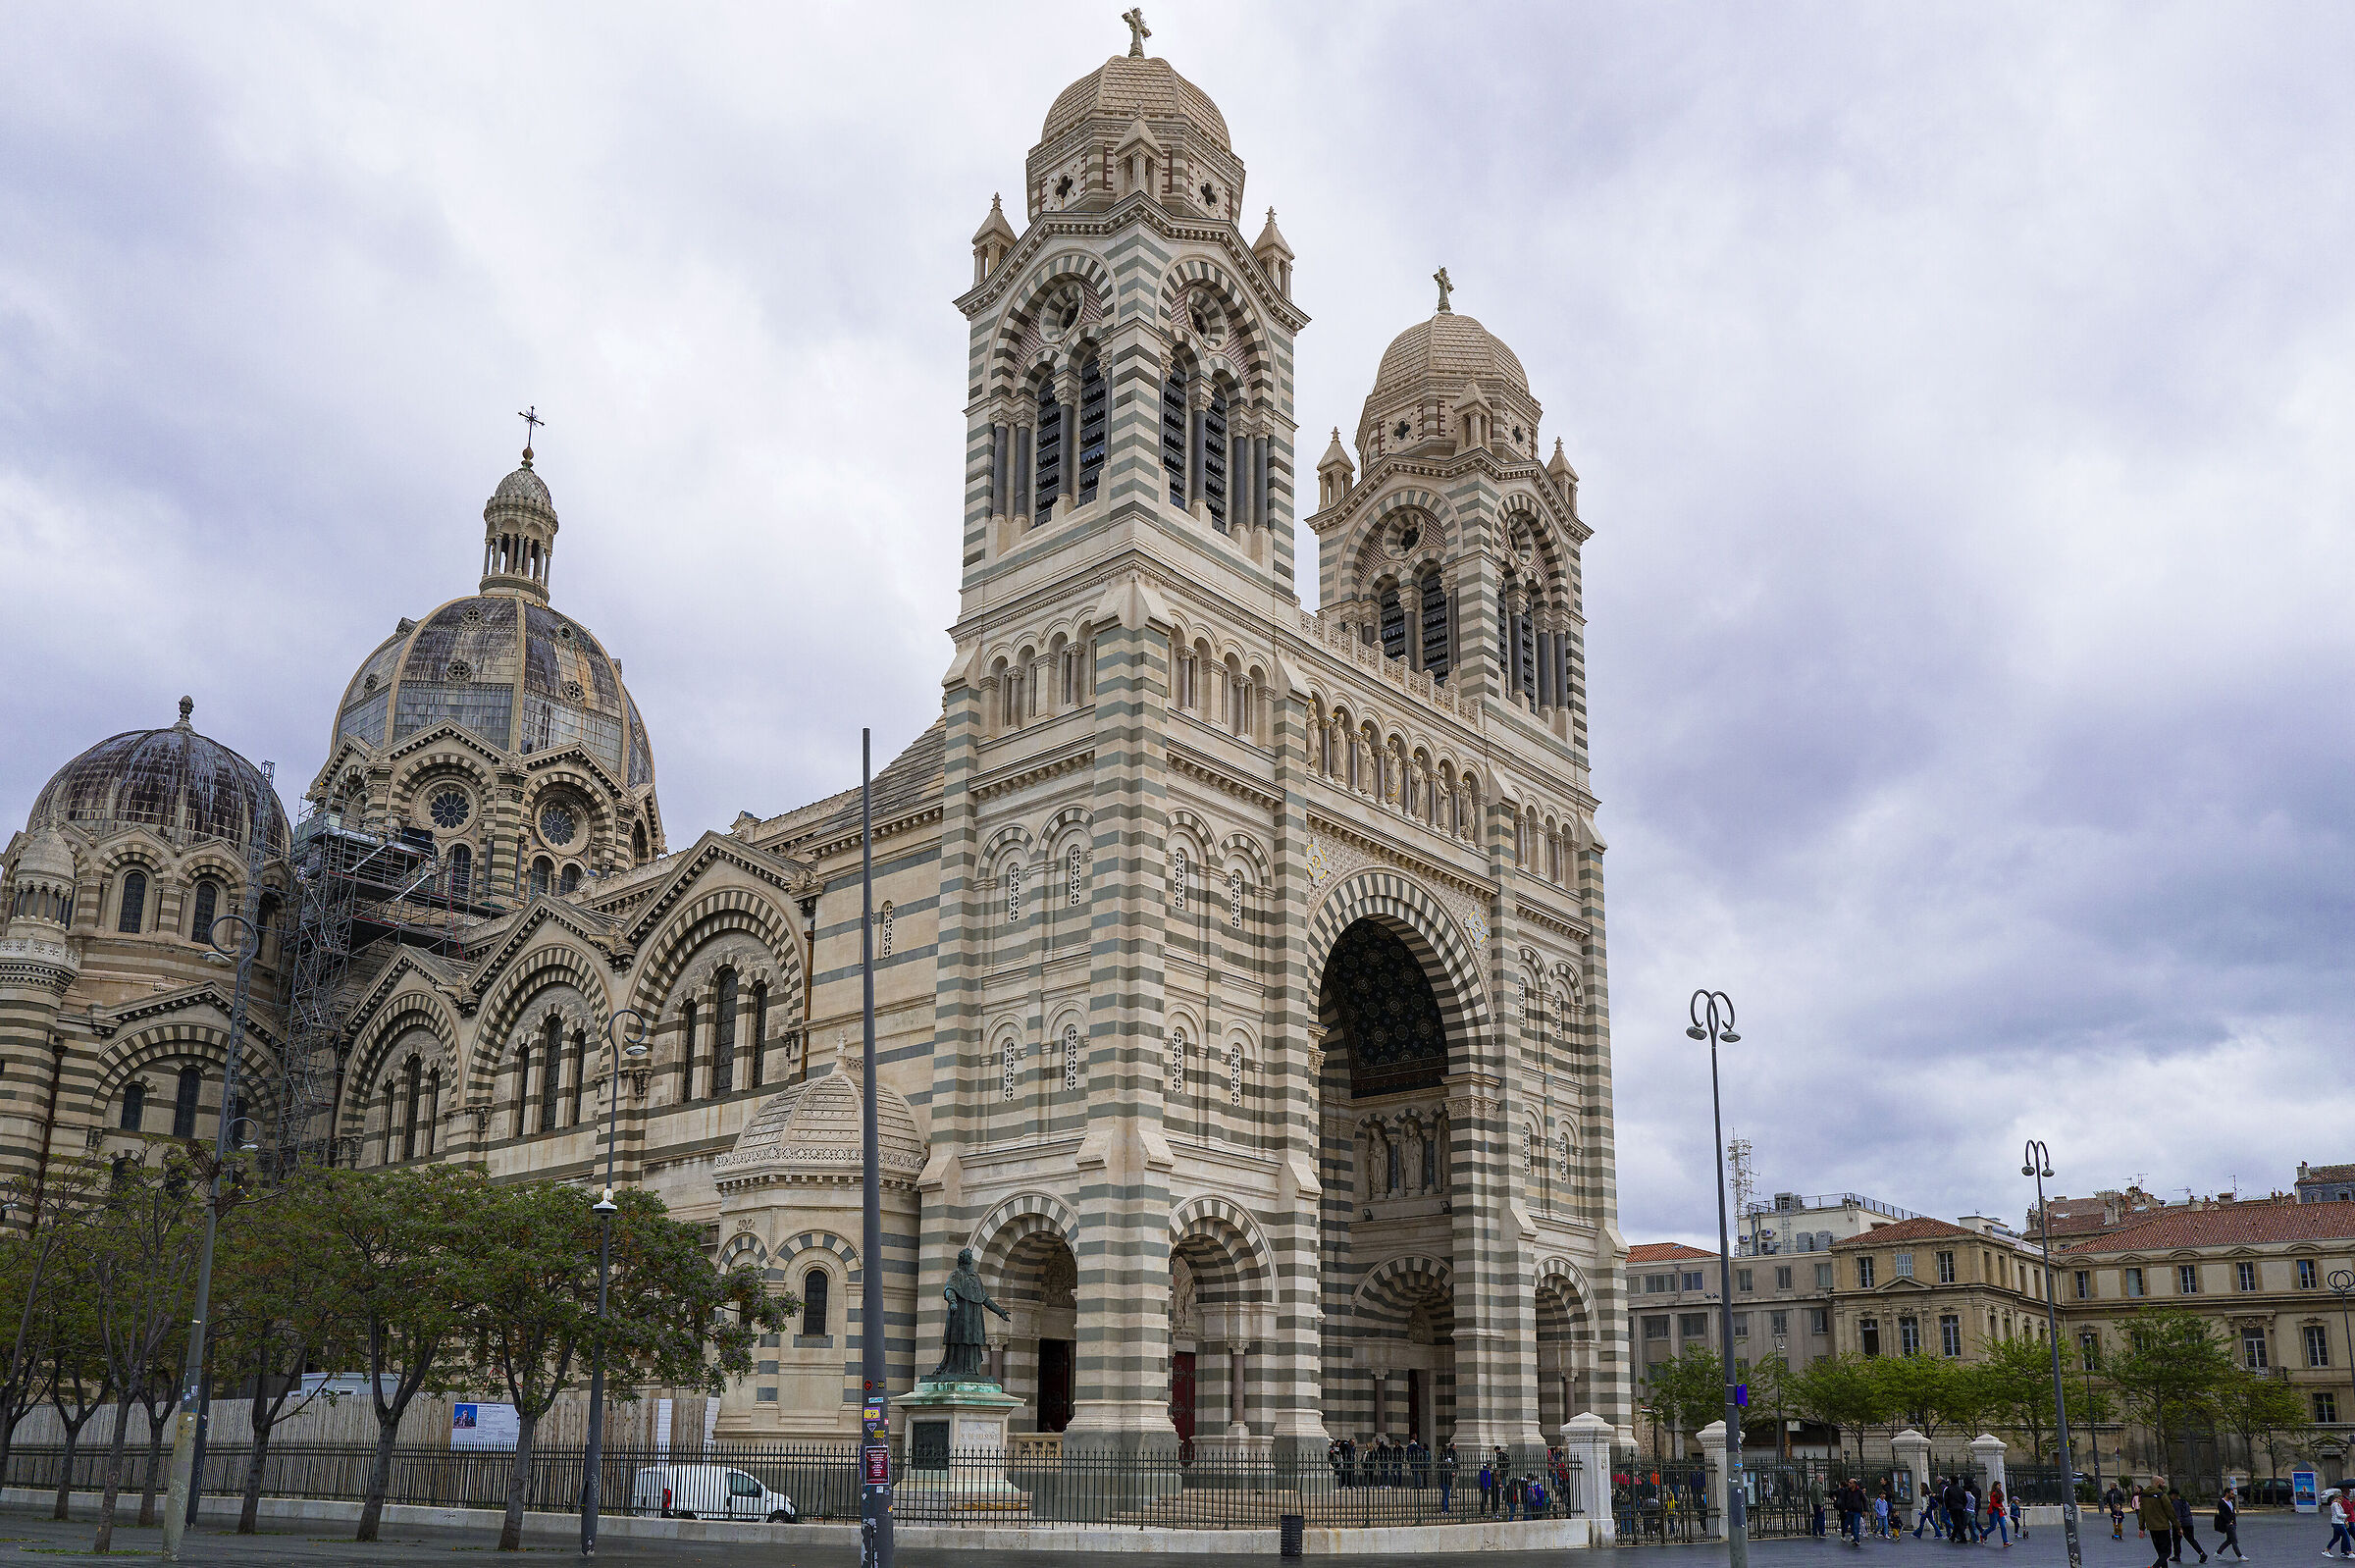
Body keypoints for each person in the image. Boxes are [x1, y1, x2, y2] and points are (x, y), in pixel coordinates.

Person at [2140, 1479, 2178, 1568]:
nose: (2164, 1485)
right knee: (2167, 1552)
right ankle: (2155, 1567)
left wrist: (2141, 1527)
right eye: (2163, 1483)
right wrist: (2177, 1526)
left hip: (2152, 1528)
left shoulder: (2144, 1496)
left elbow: (2142, 1513)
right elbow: (2170, 1512)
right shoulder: (2162, 1495)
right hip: (2163, 1527)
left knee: (2160, 1552)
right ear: (2157, 1483)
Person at [2172, 1483, 2209, 1564]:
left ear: (2173, 1495)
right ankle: (2202, 1553)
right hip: (2189, 1523)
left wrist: (2179, 1527)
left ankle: (2177, 1556)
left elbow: (2177, 1515)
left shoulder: (2175, 1503)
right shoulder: (2185, 1502)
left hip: (2181, 1524)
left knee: (2176, 1540)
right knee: (2191, 1540)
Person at [2213, 1485, 2244, 1561]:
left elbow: (2232, 1513)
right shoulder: (2222, 1502)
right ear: (2227, 1494)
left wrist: (2234, 1522)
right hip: (2228, 1524)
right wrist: (2229, 1522)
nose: (2233, 1495)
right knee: (2234, 1540)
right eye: (2231, 1494)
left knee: (2229, 1540)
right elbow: (2222, 1514)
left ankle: (2218, 1553)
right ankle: (2240, 1556)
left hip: (2232, 1524)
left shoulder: (2231, 1502)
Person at [1987, 1480, 2012, 1547]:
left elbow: (2000, 1502)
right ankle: (1983, 1534)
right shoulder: (1993, 1494)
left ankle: (2005, 1541)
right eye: (1999, 1485)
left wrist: (2003, 1509)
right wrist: (1999, 1507)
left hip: (1999, 1512)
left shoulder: (2000, 1493)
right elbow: (1993, 1502)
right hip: (1994, 1511)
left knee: (2003, 1526)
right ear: (1995, 1486)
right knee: (1993, 1527)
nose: (2000, 1486)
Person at [1439, 1441, 1457, 1515]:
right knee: (1445, 1497)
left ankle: (1445, 1509)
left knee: (1446, 1496)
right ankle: (1444, 1510)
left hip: (1446, 1482)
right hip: (1445, 1482)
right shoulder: (1444, 1467)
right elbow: (1445, 1474)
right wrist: (1451, 1474)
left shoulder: (1446, 1466)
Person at [1478, 1450, 1496, 1516]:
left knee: (1485, 1500)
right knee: (1484, 1500)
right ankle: (1482, 1511)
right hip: (1484, 1487)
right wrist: (1487, 1487)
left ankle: (1483, 1511)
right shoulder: (1484, 1470)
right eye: (1491, 1465)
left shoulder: (1487, 1470)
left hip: (1486, 1487)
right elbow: (1483, 1480)